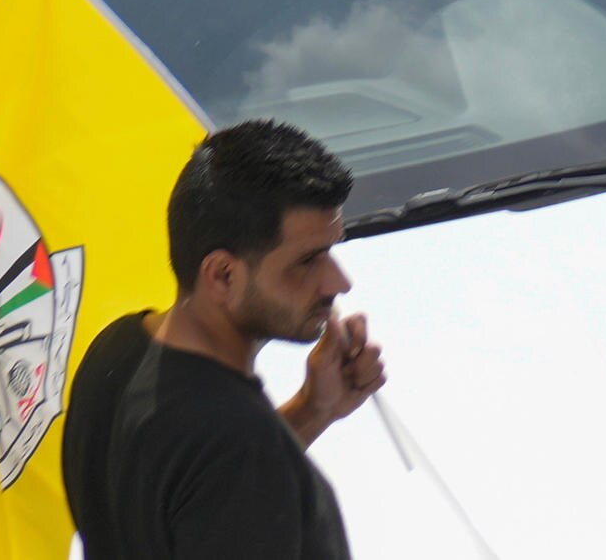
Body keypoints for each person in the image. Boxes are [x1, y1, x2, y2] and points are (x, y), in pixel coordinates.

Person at [58, 119, 381, 560]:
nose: (338, 282)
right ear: (223, 275)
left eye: (332, 250)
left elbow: (195, 491)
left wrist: (312, 409)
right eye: (308, 261)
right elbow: (228, 473)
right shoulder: (243, 450)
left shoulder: (114, 353)